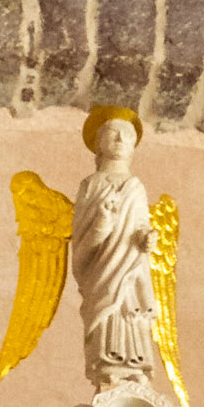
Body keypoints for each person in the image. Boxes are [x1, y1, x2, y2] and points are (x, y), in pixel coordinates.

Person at [71, 108, 157, 389]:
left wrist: (147, 240)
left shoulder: (137, 187)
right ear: (99, 143)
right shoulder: (90, 185)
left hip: (132, 273)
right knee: (109, 314)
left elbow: (141, 227)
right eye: (113, 132)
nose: (120, 139)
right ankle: (107, 368)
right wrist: (102, 223)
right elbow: (81, 247)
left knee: (131, 315)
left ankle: (136, 369)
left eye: (128, 135)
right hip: (103, 273)